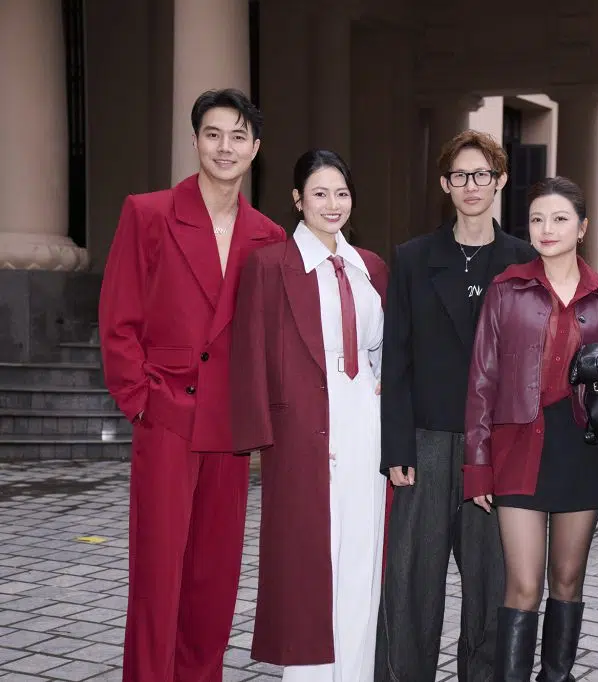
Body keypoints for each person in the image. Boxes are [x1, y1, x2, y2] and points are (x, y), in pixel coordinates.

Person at [98, 89, 286, 682]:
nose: (224, 147)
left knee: (214, 579)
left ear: (255, 148)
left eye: (238, 136)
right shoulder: (148, 213)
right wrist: (141, 403)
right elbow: (118, 318)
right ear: (197, 140)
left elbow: (273, 340)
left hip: (230, 428)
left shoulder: (269, 236)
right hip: (167, 418)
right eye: (213, 134)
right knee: (158, 578)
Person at [376, 130, 536, 682]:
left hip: (495, 446)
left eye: (482, 174)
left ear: (500, 181)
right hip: (425, 440)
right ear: (446, 184)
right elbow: (395, 358)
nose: (472, 185)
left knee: (493, 585)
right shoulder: (414, 258)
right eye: (460, 176)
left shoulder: (523, 261)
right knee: (410, 584)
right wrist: (396, 446)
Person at [231, 149, 388, 681]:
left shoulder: (371, 268)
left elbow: (386, 348)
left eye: (341, 193)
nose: (332, 204)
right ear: (298, 199)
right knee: (308, 563)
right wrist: (260, 438)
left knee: (362, 556)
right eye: (320, 193)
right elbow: (249, 353)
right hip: (301, 429)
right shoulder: (270, 265)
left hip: (366, 422)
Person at [463, 176, 598, 681]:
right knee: (523, 584)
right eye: (537, 219)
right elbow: (482, 382)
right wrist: (477, 466)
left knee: (568, 579)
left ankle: (557, 676)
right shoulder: (506, 288)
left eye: (559, 219)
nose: (547, 229)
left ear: (582, 227)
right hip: (518, 445)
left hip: (583, 448)